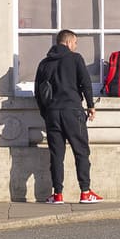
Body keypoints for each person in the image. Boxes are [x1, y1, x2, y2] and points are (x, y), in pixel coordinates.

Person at [35, 30, 101, 205]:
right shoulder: (75, 58)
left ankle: (57, 195)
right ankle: (85, 192)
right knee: (81, 152)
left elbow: (38, 92)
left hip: (52, 113)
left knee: (56, 155)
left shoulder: (44, 63)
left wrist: (46, 112)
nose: (76, 46)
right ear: (69, 42)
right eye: (76, 43)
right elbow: (85, 83)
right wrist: (91, 105)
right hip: (72, 111)